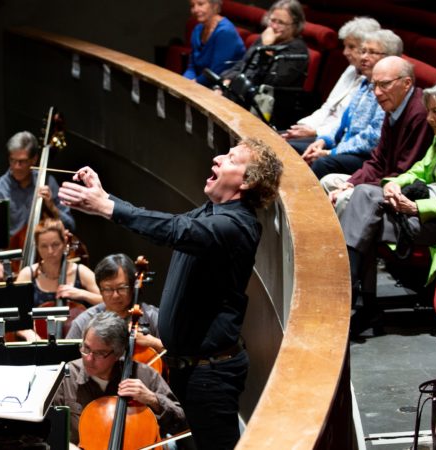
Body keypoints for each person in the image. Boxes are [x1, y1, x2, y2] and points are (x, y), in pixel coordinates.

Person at [58, 138, 283, 450]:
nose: (217, 159)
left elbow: (174, 230)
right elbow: (161, 223)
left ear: (247, 180)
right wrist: (105, 198)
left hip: (211, 374)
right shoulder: (211, 212)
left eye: (231, 159)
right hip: (191, 370)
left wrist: (107, 207)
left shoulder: (236, 226)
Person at [343, 79, 436, 337]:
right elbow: (418, 169)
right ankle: (359, 295)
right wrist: (393, 184)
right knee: (364, 194)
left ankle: (351, 289)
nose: (430, 118)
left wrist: (417, 207)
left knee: (366, 217)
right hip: (415, 213)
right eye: (429, 111)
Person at [51, 312, 186, 447]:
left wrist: (153, 400)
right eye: (86, 348)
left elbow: (181, 423)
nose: (88, 358)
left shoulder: (144, 375)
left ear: (118, 353)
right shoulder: (66, 376)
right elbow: (45, 428)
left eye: (100, 353)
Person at [321, 57, 433, 218]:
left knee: (345, 197)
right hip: (384, 180)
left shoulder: (419, 113)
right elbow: (378, 161)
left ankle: (340, 243)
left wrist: (355, 188)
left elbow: (404, 172)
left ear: (407, 83)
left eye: (385, 84)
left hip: (400, 189)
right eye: (374, 85)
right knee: (328, 181)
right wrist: (351, 183)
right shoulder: (393, 104)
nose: (377, 93)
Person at [301, 30, 403, 179]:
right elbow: (343, 121)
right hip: (344, 146)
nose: (363, 57)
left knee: (322, 163)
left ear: (390, 58)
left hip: (366, 156)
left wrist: (332, 152)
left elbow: (372, 138)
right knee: (292, 146)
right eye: (362, 51)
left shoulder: (388, 90)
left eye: (372, 52)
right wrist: (324, 140)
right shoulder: (364, 83)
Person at [0, 131, 76, 281]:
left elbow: (70, 226)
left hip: (47, 265)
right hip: (11, 267)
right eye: (12, 160)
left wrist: (51, 206)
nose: (16, 166)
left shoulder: (47, 182)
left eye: (22, 161)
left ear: (34, 159)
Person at [282, 17, 381, 152]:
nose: (345, 52)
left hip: (336, 138)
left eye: (351, 47)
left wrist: (315, 131)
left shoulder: (373, 81)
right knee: (274, 137)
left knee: (285, 148)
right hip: (319, 129)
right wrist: (305, 125)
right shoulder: (351, 68)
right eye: (345, 46)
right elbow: (328, 106)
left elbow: (349, 123)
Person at [14, 218, 101, 341]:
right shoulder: (27, 275)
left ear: (65, 242)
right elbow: (14, 316)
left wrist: (82, 294)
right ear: (37, 246)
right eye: (44, 246)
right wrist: (28, 333)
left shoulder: (80, 272)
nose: (50, 251)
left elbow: (108, 303)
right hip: (38, 346)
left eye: (55, 245)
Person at [66, 253, 163, 355]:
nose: (115, 295)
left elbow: (178, 356)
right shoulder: (84, 321)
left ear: (132, 287)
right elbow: (67, 362)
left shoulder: (152, 316)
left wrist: (153, 343)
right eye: (108, 289)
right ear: (100, 290)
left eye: (121, 288)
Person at [219, 0, 308, 93]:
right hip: (240, 90)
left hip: (266, 101)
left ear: (295, 25)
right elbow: (243, 64)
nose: (274, 26)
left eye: (281, 23)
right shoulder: (265, 37)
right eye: (272, 20)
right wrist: (226, 80)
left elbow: (269, 82)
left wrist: (267, 47)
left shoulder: (297, 50)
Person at [182, 0, 245, 87]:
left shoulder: (226, 31)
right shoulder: (197, 29)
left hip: (220, 88)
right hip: (199, 85)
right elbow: (192, 66)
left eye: (200, 4)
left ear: (214, 6)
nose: (195, 9)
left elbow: (215, 72)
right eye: (192, 6)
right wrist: (185, 81)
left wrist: (193, 84)